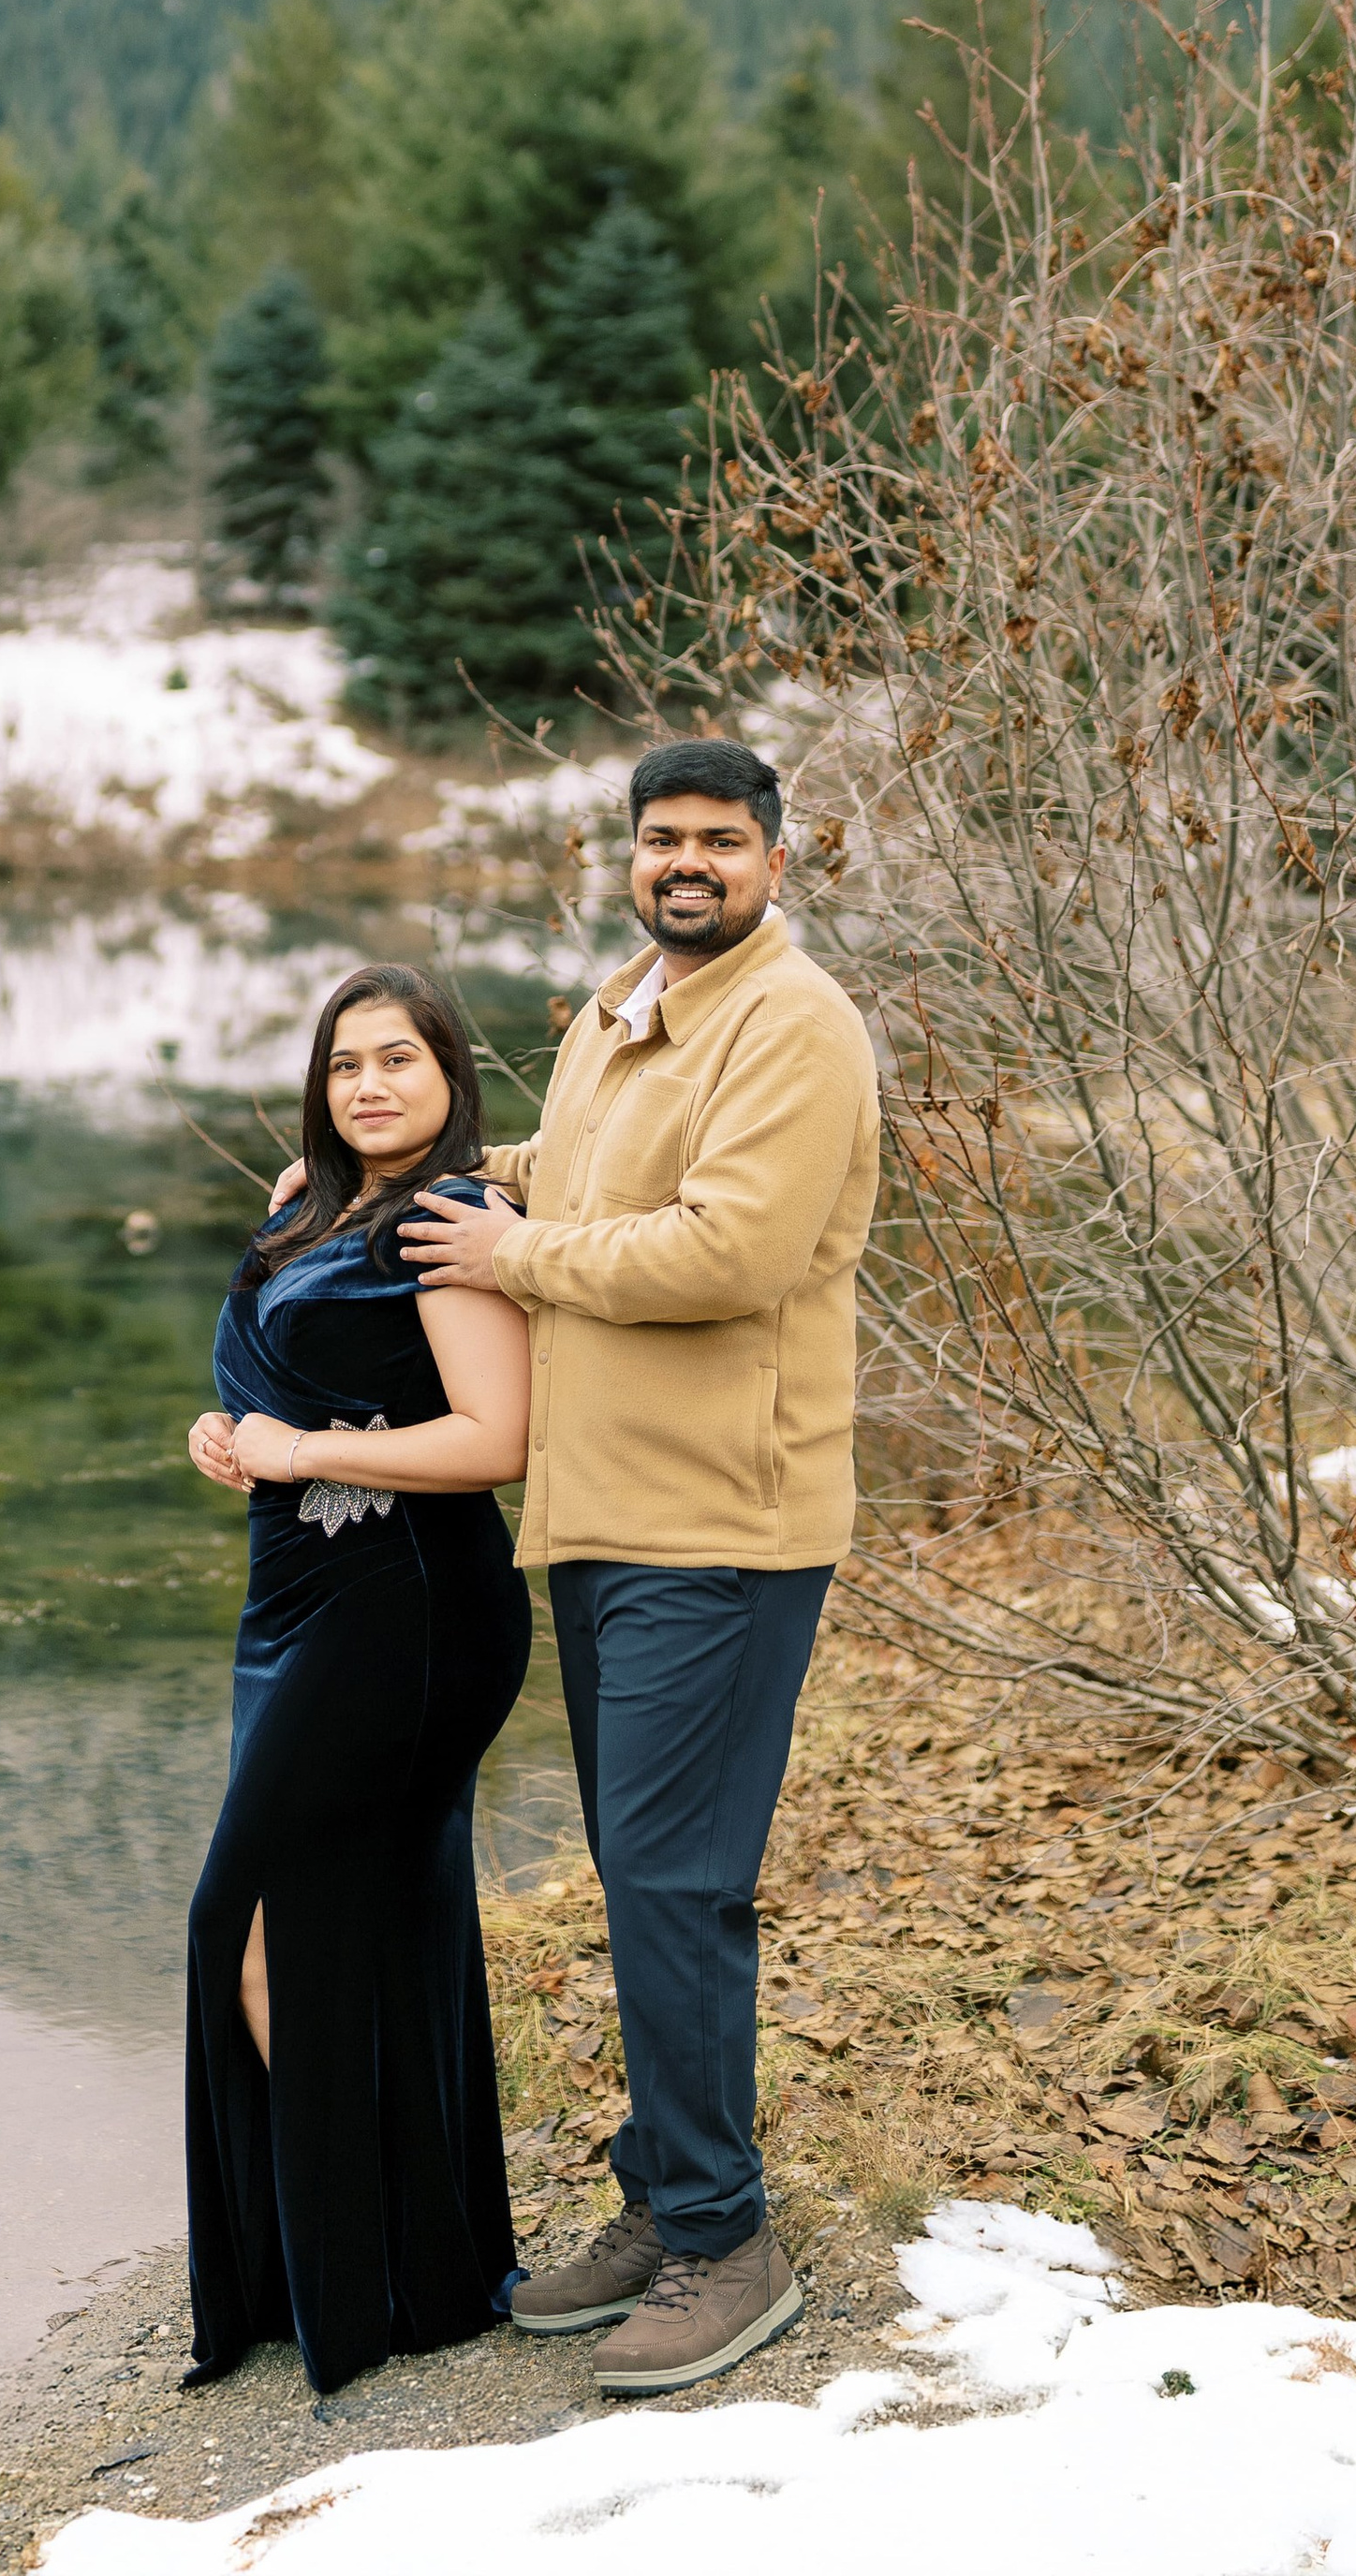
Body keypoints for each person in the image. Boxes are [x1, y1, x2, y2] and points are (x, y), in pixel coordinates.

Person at [398, 737, 878, 2395]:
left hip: (720, 1525)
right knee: (643, 1875)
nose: (689, 863)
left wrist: (514, 1252)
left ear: (774, 861)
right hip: (605, 1515)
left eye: (721, 842)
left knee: (678, 1882)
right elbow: (587, 1179)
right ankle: (668, 2192)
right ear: (630, 858)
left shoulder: (792, 1024)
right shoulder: (624, 1007)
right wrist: (426, 1187)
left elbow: (728, 1248)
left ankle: (725, 2243)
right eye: (663, 839)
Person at [179, 964, 533, 2399]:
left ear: (451, 1073)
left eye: (399, 1058)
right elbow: (277, 1385)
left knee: (246, 1920)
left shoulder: (454, 1221)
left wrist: (306, 1450)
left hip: (409, 1608)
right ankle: (409, 2267)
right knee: (369, 1912)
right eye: (345, 1065)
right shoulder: (299, 1203)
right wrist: (225, 1431)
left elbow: (494, 1435)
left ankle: (354, 2260)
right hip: (297, 1601)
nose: (371, 1086)